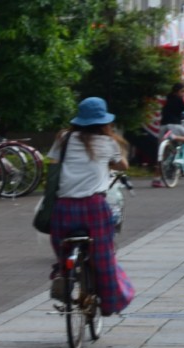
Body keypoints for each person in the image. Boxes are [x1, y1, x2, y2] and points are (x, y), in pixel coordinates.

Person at [47, 96, 135, 317]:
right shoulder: (108, 143)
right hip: (94, 208)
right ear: (104, 121)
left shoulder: (64, 138)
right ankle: (109, 303)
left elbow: (53, 164)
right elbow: (123, 165)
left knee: (62, 247)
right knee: (103, 257)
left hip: (63, 209)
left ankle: (62, 272)